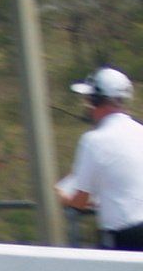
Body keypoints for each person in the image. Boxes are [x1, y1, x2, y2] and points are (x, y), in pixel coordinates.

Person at [56, 67, 143, 251]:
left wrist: (60, 196)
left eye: (89, 99)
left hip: (125, 238)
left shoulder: (93, 140)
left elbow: (79, 200)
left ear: (96, 100)